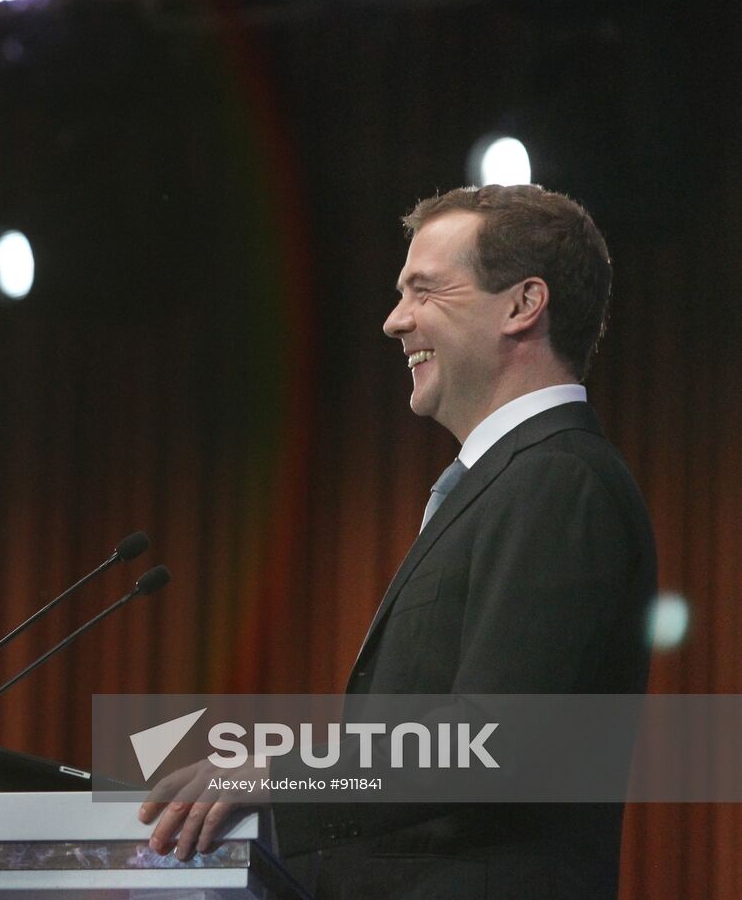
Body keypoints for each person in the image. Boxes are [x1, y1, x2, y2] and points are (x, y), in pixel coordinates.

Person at [139, 184, 658, 899]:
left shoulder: (559, 481)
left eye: (424, 291)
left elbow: (492, 743)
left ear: (521, 305)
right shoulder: (507, 483)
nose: (394, 321)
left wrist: (276, 775)